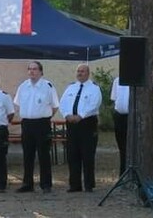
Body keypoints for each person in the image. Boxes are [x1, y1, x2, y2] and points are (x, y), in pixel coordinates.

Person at [14, 60, 60, 193]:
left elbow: (55, 106)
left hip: (42, 124)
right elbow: (17, 104)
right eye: (29, 69)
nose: (31, 72)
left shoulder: (48, 86)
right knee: (27, 154)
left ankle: (46, 184)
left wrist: (44, 117)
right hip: (27, 124)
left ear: (41, 72)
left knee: (43, 154)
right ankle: (27, 183)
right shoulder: (23, 86)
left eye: (34, 69)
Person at [61, 63, 101, 193]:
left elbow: (95, 104)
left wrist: (81, 116)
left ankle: (89, 185)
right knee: (72, 154)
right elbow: (63, 103)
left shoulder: (94, 88)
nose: (79, 73)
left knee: (87, 154)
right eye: (78, 71)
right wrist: (67, 115)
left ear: (88, 73)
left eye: (82, 71)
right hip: (72, 123)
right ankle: (75, 185)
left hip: (87, 123)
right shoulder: (71, 88)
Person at [109, 76, 130, 175]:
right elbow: (114, 98)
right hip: (119, 116)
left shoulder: (136, 79)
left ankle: (130, 171)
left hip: (131, 117)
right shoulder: (117, 80)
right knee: (122, 146)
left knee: (130, 146)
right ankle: (122, 172)